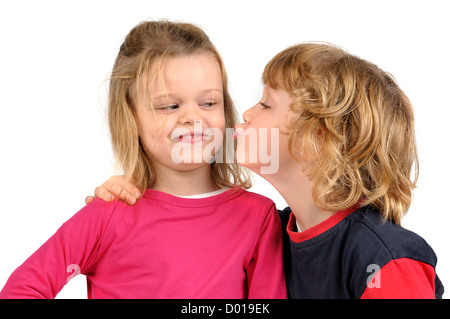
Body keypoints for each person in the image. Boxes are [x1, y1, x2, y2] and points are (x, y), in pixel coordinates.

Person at [90, 42, 444, 298]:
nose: (245, 114)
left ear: (316, 139)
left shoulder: (386, 260)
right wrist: (129, 197)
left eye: (266, 104)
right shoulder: (267, 234)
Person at [0, 21, 287, 299]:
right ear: (131, 117)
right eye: (169, 106)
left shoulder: (258, 217)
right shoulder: (108, 214)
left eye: (208, 103)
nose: (192, 117)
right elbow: (23, 290)